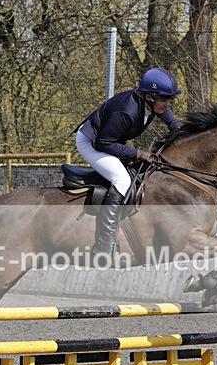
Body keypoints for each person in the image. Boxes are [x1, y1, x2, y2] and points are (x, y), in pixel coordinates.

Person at [76, 68, 182, 258]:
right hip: (91, 143)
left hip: (108, 142)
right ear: (149, 97)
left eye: (169, 100)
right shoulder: (127, 110)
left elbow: (167, 115)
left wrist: (178, 128)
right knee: (122, 181)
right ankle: (104, 243)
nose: (167, 104)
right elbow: (104, 143)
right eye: (163, 99)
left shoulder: (151, 104)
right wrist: (137, 153)